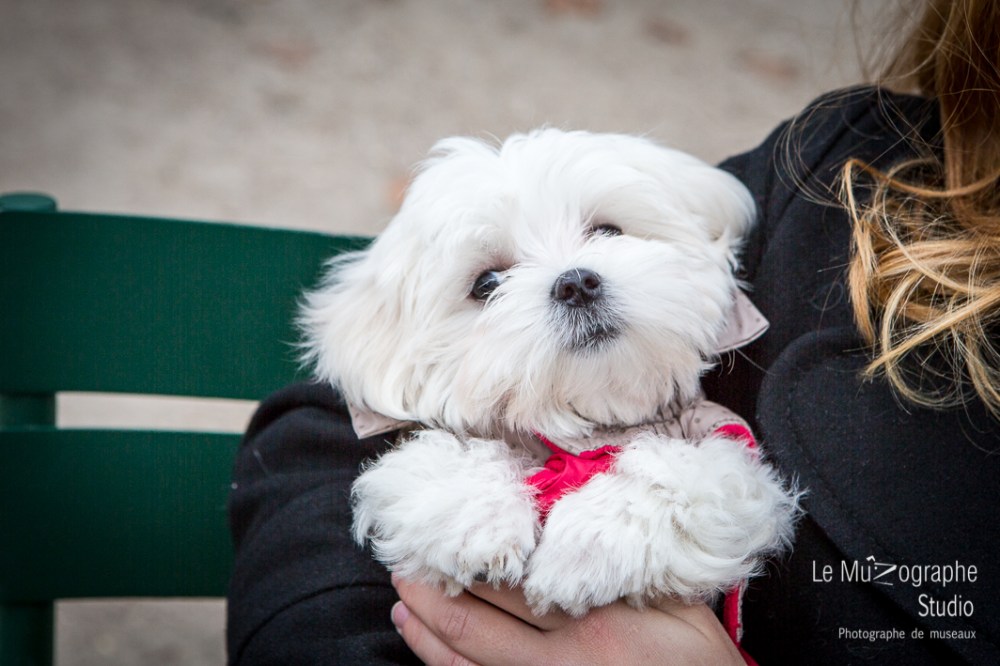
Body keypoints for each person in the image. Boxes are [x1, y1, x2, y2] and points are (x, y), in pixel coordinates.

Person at [226, 1, 1000, 663]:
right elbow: (332, 439)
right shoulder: (846, 164)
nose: (574, 276)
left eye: (606, 229)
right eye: (489, 283)